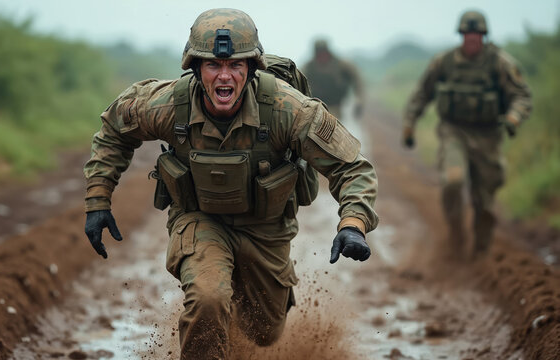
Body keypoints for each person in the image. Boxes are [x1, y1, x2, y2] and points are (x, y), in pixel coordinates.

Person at [83, 8, 378, 359]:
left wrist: (353, 223)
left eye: (236, 65)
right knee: (208, 297)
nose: (225, 77)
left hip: (266, 229)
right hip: (199, 219)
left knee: (264, 333)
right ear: (195, 69)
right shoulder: (166, 104)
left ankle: (263, 295)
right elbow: (114, 130)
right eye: (213, 66)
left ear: (252, 69)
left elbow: (352, 168)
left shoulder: (288, 110)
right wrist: (98, 199)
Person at [402, 10, 532, 258]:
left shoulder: (500, 63)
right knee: (453, 180)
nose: (472, 40)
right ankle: (456, 233)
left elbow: (521, 95)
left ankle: (480, 253)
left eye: (477, 35)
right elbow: (422, 93)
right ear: (461, 36)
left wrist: (514, 117)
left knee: (485, 201)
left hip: (488, 136)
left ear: (483, 36)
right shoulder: (445, 62)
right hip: (454, 132)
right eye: (467, 35)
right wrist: (410, 123)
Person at [303, 39, 365, 119]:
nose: (322, 57)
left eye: (324, 53)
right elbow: (298, 81)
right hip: (315, 107)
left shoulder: (341, 65)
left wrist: (359, 100)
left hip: (335, 106)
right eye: (319, 54)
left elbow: (357, 79)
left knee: (332, 126)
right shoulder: (308, 68)